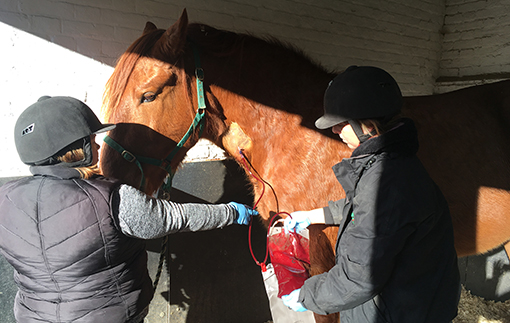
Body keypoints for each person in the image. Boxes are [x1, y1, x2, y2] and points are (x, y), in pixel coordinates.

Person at [0, 96, 258, 323]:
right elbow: (175, 217)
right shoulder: (110, 199)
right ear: (76, 151)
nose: (100, 147)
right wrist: (231, 212)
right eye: (92, 140)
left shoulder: (4, 200)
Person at [281, 66, 461, 322]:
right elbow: (367, 209)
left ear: (366, 124)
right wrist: (316, 215)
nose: (334, 131)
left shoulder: (386, 178)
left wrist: (305, 296)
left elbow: (358, 277)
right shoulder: (393, 161)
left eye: (341, 124)